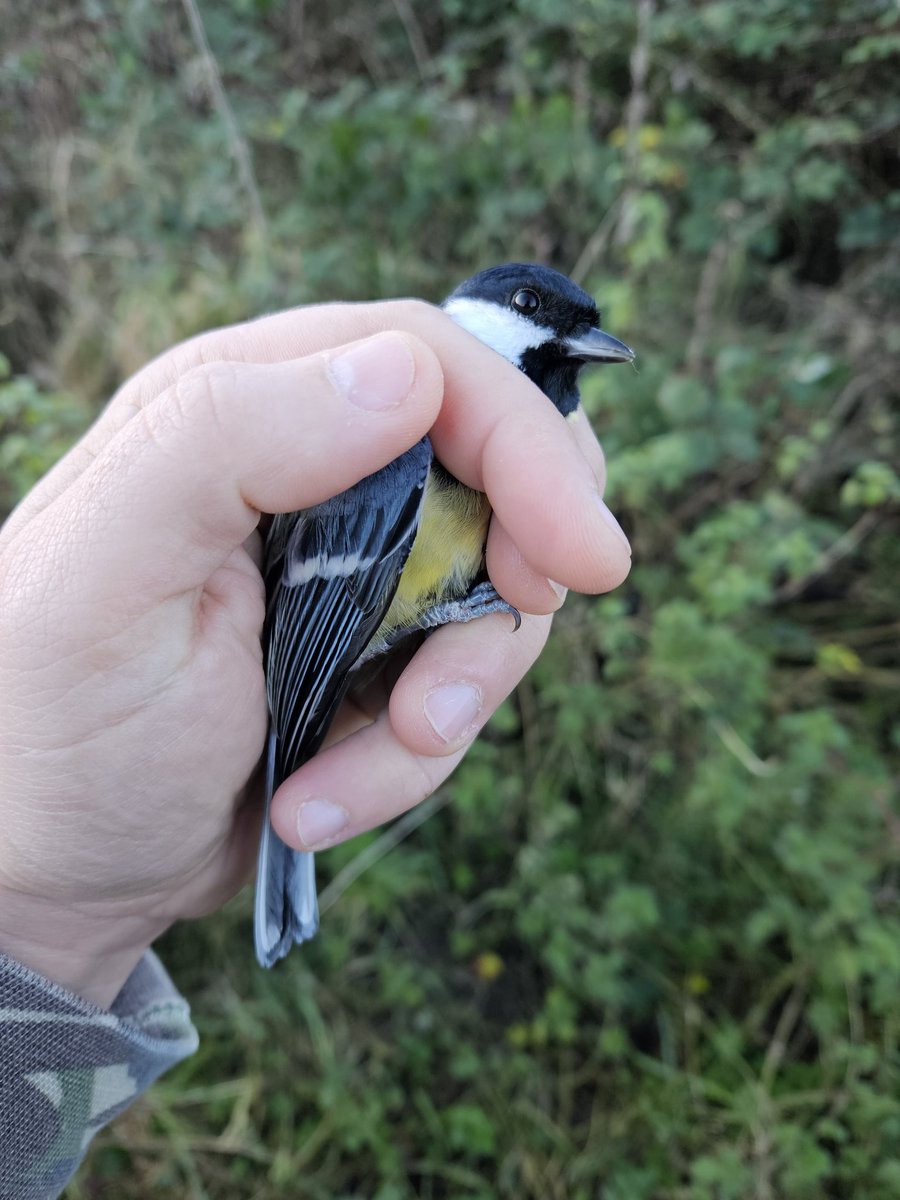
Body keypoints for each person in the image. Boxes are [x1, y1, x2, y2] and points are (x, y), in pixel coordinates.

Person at [0, 299, 632, 1197]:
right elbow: (326, 629)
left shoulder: (466, 453)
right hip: (305, 671)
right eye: (538, 313)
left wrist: (47, 924)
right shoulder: (403, 432)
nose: (572, 345)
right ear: (481, 315)